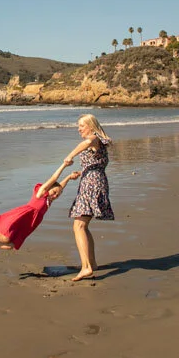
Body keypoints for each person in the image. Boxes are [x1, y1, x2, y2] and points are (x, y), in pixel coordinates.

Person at [0, 163, 81, 250]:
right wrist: (64, 165)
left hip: (30, 223)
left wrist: (69, 177)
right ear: (49, 188)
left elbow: (60, 186)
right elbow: (54, 179)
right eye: (55, 192)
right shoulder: (41, 193)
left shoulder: (49, 200)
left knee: (9, 246)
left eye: (58, 195)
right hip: (23, 216)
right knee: (5, 238)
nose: (56, 195)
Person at [62, 113, 115, 281]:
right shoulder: (99, 140)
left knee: (79, 226)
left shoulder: (94, 138)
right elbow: (95, 162)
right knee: (82, 225)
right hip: (93, 180)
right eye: (78, 126)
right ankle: (91, 263)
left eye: (81, 126)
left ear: (91, 126)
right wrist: (82, 171)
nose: (79, 129)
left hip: (92, 184)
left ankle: (86, 267)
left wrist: (70, 156)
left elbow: (86, 143)